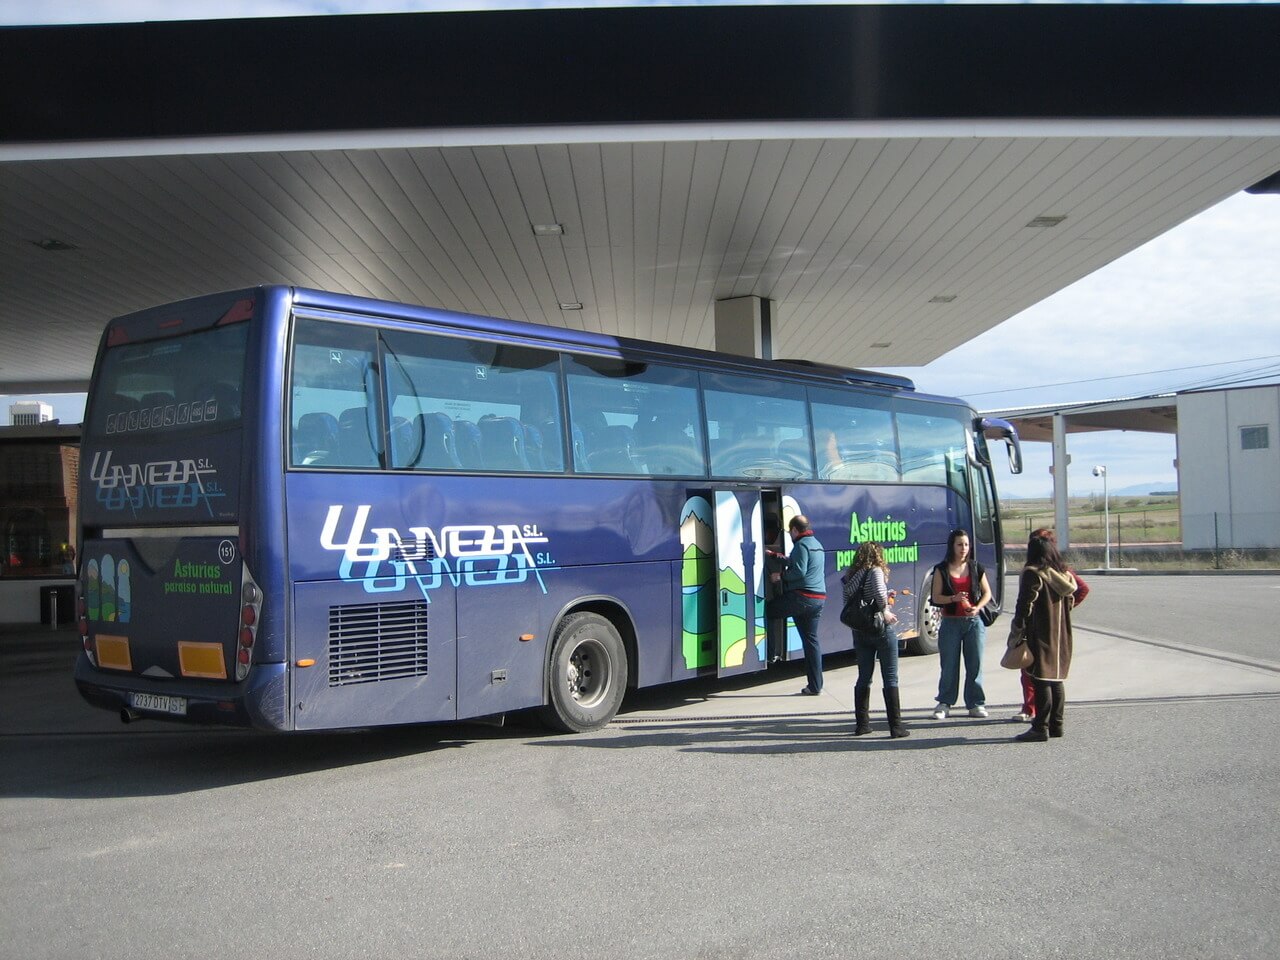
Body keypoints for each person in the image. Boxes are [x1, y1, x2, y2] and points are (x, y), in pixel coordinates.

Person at [1011, 528, 1089, 722]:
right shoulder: (1065, 575)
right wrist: (1064, 613)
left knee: (1040, 678)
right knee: (1056, 679)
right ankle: (1056, 724)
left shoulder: (1033, 573)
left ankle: (1040, 725)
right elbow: (1076, 593)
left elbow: (1024, 606)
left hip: (1040, 631)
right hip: (1062, 632)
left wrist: (1017, 631)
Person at [842, 542, 908, 738]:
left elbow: (849, 601)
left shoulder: (851, 576)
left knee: (864, 677)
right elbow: (878, 593)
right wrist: (885, 610)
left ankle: (862, 724)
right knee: (890, 676)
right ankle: (896, 727)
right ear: (878, 555)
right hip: (881, 630)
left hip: (860, 631)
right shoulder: (876, 571)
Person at [929, 528, 993, 719]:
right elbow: (936, 597)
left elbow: (987, 593)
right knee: (949, 665)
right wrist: (953, 598)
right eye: (959, 544)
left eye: (966, 544)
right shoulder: (941, 569)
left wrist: (978, 606)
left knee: (975, 664)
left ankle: (975, 704)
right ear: (952, 546)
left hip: (974, 622)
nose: (963, 548)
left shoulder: (975, 567)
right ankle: (945, 702)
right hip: (950, 623)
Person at [766, 515, 826, 695]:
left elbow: (799, 571)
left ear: (794, 530)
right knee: (811, 641)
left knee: (770, 611)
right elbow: (796, 562)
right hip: (818, 599)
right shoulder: (816, 544)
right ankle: (815, 686)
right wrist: (776, 556)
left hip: (801, 597)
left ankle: (770, 655)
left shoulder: (801, 545)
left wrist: (780, 577)